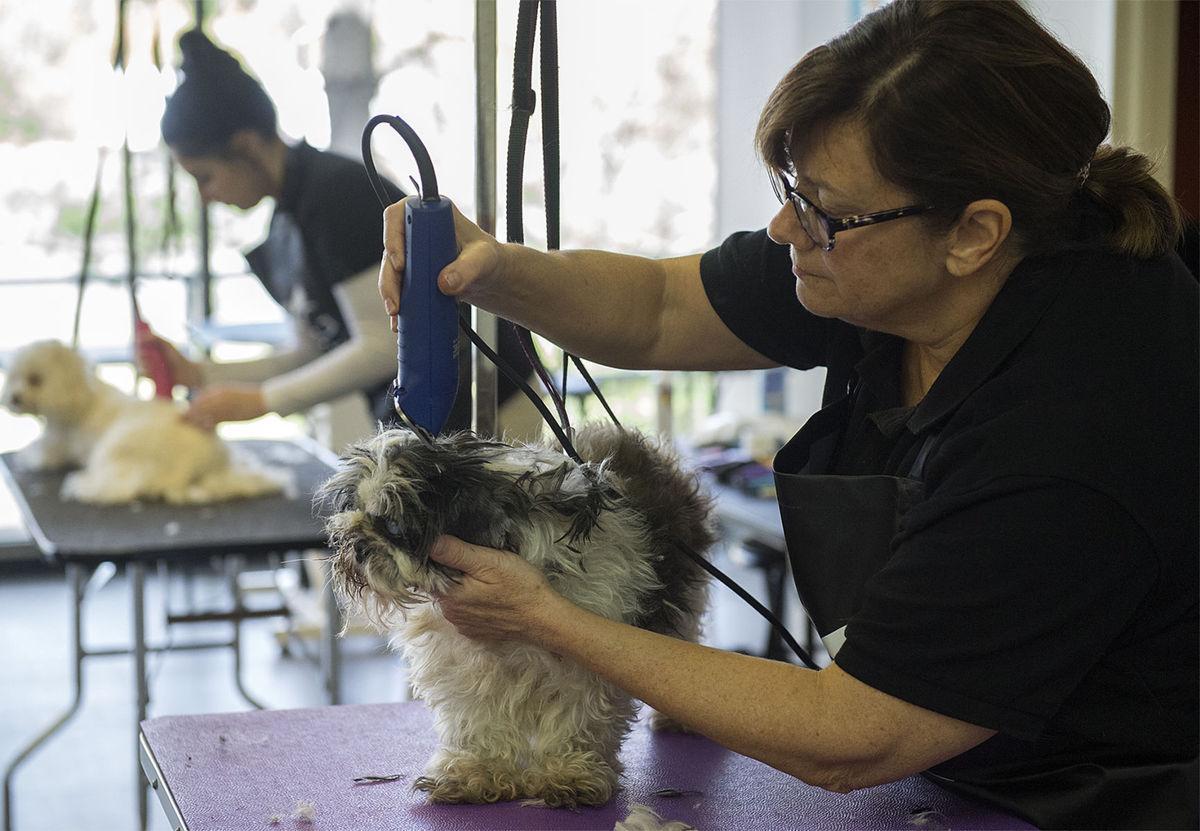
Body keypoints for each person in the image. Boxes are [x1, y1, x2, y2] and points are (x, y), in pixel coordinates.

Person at [375, 2, 1198, 828]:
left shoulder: (1079, 423)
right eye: (791, 189)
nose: (783, 227)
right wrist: (492, 269)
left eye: (821, 208)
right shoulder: (885, 262)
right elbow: (659, 307)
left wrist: (549, 618)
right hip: (934, 784)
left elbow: (856, 734)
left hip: (1100, 802)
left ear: (975, 233)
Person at [146, 29, 537, 448]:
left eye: (205, 178)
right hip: (421, 420)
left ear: (246, 145)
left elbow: (384, 346)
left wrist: (263, 401)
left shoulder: (336, 196)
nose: (206, 197)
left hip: (487, 409)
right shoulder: (286, 223)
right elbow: (315, 351)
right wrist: (202, 375)